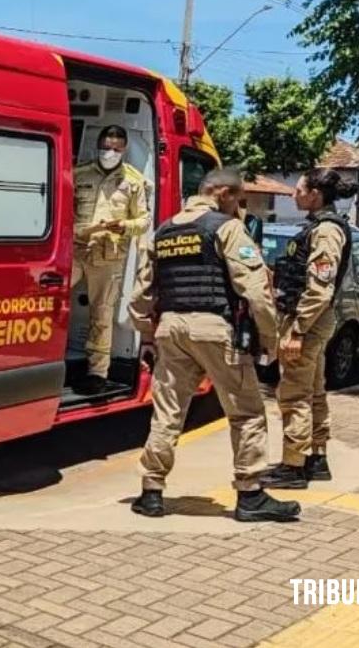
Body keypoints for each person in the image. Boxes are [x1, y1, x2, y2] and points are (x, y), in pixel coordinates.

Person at [127, 168, 300, 522]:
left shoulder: (162, 231)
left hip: (170, 329)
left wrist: (145, 334)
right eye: (238, 200)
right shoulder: (225, 227)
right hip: (215, 329)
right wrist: (271, 338)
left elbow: (140, 294)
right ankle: (250, 494)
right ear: (222, 192)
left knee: (167, 413)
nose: (239, 209)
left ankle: (151, 491)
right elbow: (255, 290)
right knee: (248, 412)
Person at [262, 169, 356, 489]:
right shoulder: (319, 227)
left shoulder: (327, 231)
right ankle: (316, 458)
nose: (293, 194)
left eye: (299, 189)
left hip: (308, 322)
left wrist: (297, 331)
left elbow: (319, 289)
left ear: (315, 194)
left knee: (294, 394)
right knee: (314, 391)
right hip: (314, 321)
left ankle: (293, 466)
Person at [72, 125, 150, 395]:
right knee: (51, 305)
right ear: (98, 145)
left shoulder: (133, 180)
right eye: (106, 147)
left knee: (101, 315)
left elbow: (143, 220)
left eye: (116, 148)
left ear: (124, 149)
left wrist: (124, 226)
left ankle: (97, 373)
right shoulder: (79, 173)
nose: (110, 152)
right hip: (75, 249)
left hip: (108, 255)